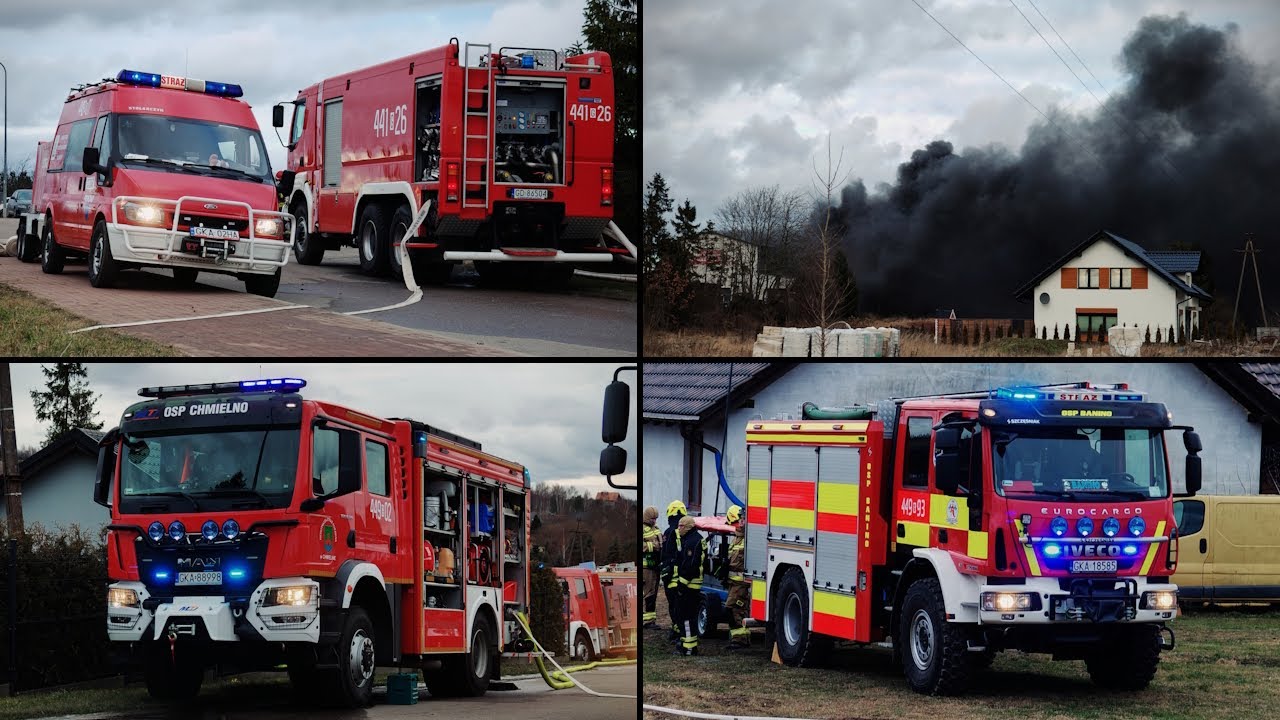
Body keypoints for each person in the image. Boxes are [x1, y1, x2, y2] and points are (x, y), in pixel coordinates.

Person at [670, 514, 706, 656]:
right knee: (686, 616)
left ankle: (688, 648)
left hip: (689, 586)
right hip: (693, 586)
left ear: (688, 527)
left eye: (681, 526)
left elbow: (690, 566)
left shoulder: (692, 542)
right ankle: (687, 645)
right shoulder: (694, 539)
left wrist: (681, 585)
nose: (679, 529)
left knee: (686, 617)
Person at [723, 504, 752, 649]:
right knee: (739, 611)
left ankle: (739, 640)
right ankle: (742, 639)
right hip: (733, 583)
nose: (738, 524)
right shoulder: (736, 539)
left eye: (742, 520)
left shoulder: (748, 540)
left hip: (741, 584)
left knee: (731, 609)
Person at [660, 500, 687, 643]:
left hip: (671, 577)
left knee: (674, 605)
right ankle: (678, 630)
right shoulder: (687, 531)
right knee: (680, 606)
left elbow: (665, 553)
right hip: (684, 577)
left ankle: (678, 631)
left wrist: (665, 569)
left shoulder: (669, 532)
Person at [641, 506, 662, 629]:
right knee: (648, 593)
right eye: (652, 518)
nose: (654, 521)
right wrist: (654, 546)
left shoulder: (656, 529)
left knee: (653, 593)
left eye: (656, 519)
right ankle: (647, 621)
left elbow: (661, 542)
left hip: (655, 566)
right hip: (646, 568)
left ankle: (651, 620)